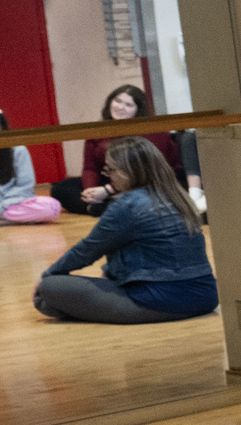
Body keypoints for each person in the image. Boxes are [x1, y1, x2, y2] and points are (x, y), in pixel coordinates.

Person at [30, 136, 217, 324]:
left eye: (111, 169)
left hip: (157, 300)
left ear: (129, 172)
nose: (108, 175)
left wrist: (47, 276)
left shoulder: (128, 204)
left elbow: (86, 250)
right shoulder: (178, 196)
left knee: (49, 288)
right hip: (205, 297)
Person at [50, 84, 182, 216]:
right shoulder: (98, 130)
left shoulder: (152, 130)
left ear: (138, 110)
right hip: (111, 180)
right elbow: (90, 168)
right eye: (117, 101)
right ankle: (99, 207)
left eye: (128, 105)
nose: (120, 107)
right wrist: (91, 191)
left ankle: (102, 207)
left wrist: (107, 190)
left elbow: (145, 171)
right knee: (61, 188)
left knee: (145, 191)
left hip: (147, 180)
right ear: (110, 102)